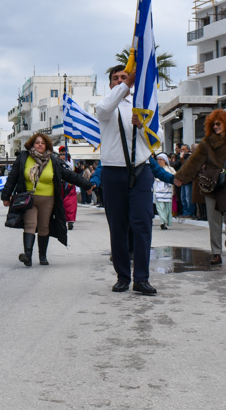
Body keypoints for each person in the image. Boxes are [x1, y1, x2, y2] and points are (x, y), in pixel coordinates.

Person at [94, 64, 157, 295]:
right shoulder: (105, 105)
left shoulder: (142, 106)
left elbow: (156, 138)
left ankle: (141, 278)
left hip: (140, 170)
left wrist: (142, 126)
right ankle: (122, 276)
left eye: (124, 77)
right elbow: (104, 111)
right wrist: (126, 85)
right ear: (110, 83)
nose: (121, 80)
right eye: (116, 78)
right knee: (118, 226)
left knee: (143, 224)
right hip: (113, 171)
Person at [2, 132, 93, 267]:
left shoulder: (53, 161)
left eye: (43, 143)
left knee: (44, 226)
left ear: (47, 146)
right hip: (29, 199)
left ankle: (42, 256)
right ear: (32, 144)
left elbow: (69, 175)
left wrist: (86, 185)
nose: (40, 145)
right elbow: (12, 178)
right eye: (37, 143)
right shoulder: (23, 158)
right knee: (30, 224)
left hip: (48, 200)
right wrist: (5, 196)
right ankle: (28, 255)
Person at [173, 109, 226, 264]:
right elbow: (194, 161)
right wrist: (181, 177)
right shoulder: (207, 143)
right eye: (213, 124)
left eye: (218, 124)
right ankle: (216, 252)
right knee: (214, 221)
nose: (215, 127)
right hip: (212, 185)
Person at [153, 154, 175, 230]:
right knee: (160, 207)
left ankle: (166, 221)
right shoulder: (156, 169)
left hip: (167, 190)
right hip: (158, 190)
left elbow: (174, 177)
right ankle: (162, 222)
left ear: (165, 160)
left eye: (160, 159)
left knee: (167, 208)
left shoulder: (170, 169)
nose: (159, 161)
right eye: (158, 159)